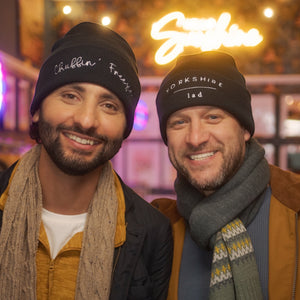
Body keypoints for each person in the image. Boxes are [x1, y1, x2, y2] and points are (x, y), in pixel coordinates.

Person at [0, 22, 172, 300]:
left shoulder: (152, 233)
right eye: (70, 96)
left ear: (125, 128)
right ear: (37, 109)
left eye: (109, 106)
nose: (87, 120)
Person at [152, 51, 300, 300]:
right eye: (179, 122)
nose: (196, 137)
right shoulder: (157, 228)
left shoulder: (294, 205)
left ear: (244, 129)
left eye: (213, 117)